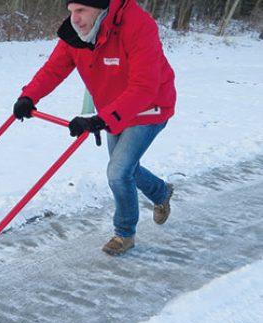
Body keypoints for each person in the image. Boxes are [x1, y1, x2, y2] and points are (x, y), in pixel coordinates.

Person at [13, 0, 176, 256]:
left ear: (100, 8)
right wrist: (29, 97)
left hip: (149, 107)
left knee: (119, 173)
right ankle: (161, 192)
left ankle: (124, 234)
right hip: (114, 109)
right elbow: (54, 69)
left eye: (81, 11)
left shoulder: (137, 25)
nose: (75, 19)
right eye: (71, 11)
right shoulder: (76, 33)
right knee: (124, 169)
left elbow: (145, 86)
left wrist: (100, 120)